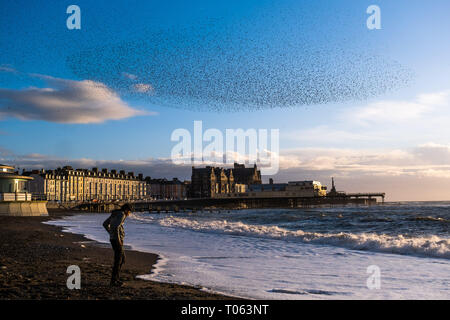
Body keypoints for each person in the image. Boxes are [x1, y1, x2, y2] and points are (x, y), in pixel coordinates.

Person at [103, 203, 133, 287]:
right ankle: (114, 281)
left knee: (121, 259)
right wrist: (119, 240)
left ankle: (116, 279)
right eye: (129, 211)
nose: (129, 213)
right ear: (126, 210)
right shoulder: (122, 215)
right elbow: (116, 227)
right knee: (118, 260)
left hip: (113, 239)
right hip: (117, 240)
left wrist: (110, 233)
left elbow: (105, 224)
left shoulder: (115, 214)